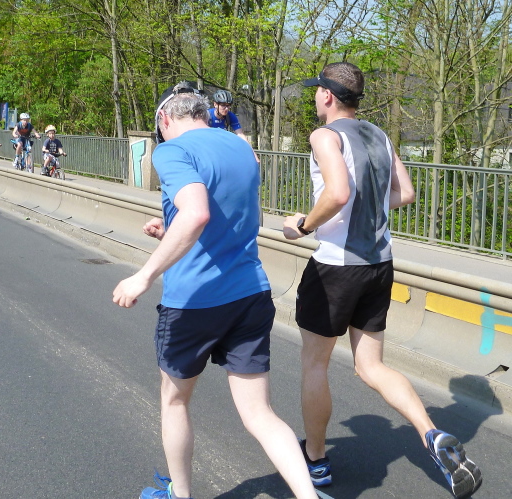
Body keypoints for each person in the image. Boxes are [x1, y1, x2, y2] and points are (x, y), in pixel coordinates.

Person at [282, 62, 482, 499]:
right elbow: (405, 193)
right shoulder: (379, 135)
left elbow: (337, 193)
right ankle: (431, 433)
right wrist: (365, 206)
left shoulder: (324, 136)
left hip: (335, 268)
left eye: (316, 91)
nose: (315, 97)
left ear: (328, 95)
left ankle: (315, 461)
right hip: (379, 265)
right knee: (371, 366)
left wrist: (302, 225)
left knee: (314, 364)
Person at [112, 82, 318, 499]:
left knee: (175, 401)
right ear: (205, 113)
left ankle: (180, 495)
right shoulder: (241, 148)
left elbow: (197, 214)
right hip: (249, 293)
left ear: (164, 119)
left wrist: (144, 275)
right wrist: (170, 231)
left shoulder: (171, 150)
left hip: (194, 301)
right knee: (259, 413)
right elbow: (234, 217)